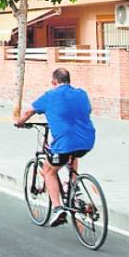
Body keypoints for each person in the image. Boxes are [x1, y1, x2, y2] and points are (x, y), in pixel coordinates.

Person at [15, 68, 96, 226]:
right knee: (73, 155)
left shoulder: (49, 96)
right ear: (68, 80)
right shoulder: (81, 93)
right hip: (87, 139)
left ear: (54, 82)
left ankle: (58, 209)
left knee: (49, 170)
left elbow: (28, 112)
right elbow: (88, 110)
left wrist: (19, 122)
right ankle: (73, 186)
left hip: (65, 141)